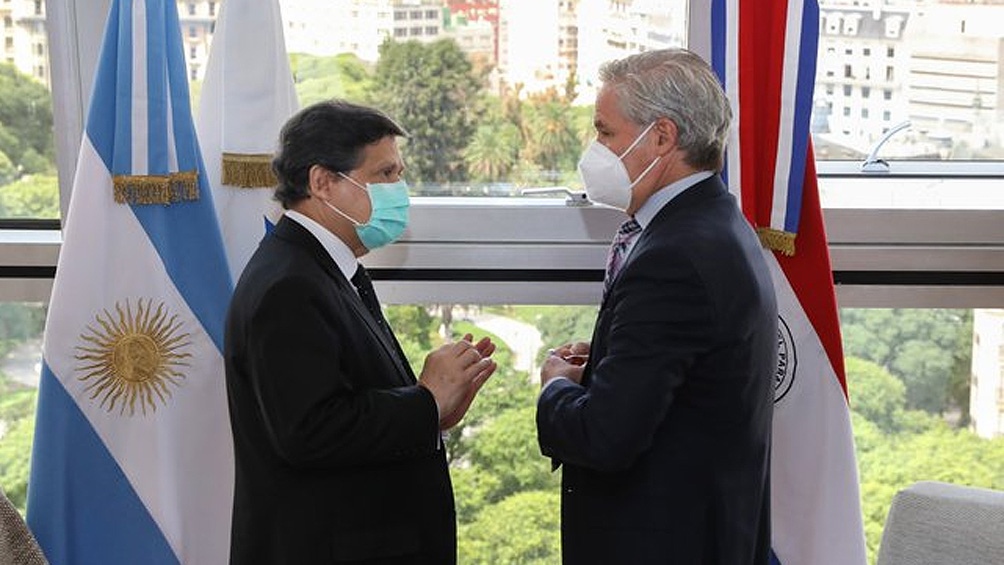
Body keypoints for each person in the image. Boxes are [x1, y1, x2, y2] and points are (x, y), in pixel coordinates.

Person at [224, 99, 497, 564]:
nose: (399, 190)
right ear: (322, 183)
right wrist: (426, 400)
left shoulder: (325, 268)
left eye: (399, 174)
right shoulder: (289, 286)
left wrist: (435, 412)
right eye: (384, 174)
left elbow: (348, 402)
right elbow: (310, 432)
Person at [535, 48, 778, 564]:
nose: (595, 150)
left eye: (605, 132)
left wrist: (555, 385)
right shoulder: (714, 221)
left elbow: (605, 437)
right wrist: (607, 364)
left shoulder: (673, 258)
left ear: (662, 137)